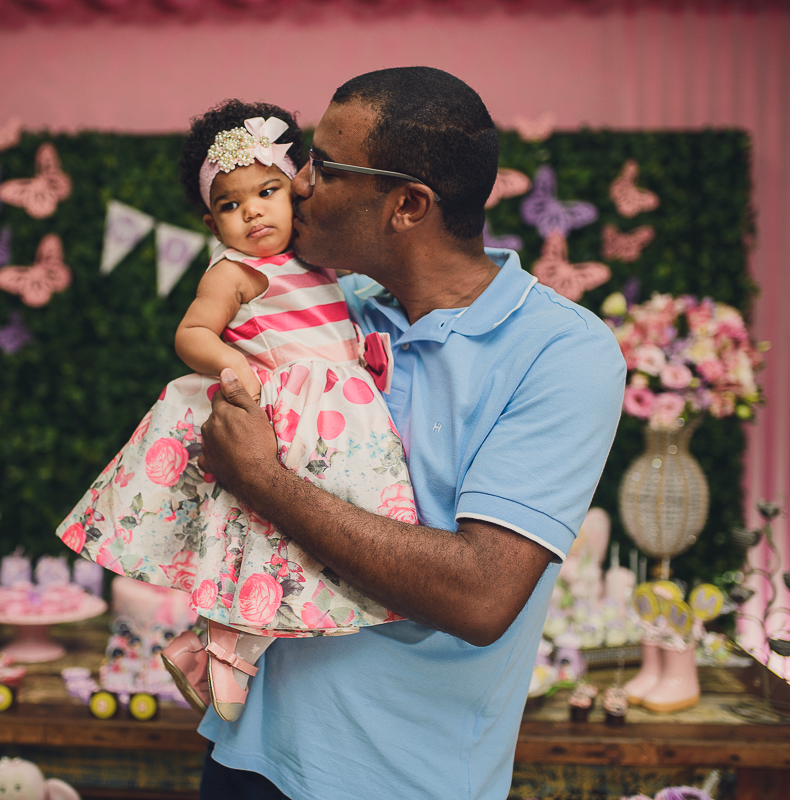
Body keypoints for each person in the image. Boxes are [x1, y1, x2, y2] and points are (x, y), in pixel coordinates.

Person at [195, 68, 626, 800]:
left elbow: (481, 596)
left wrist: (263, 479)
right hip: (246, 758)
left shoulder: (565, 353)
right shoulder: (336, 306)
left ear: (408, 205)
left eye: (324, 167)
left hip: (402, 781)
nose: (296, 183)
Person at [56, 100, 413, 724]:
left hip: (343, 417)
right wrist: (232, 364)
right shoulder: (235, 272)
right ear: (210, 221)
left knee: (323, 544)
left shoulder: (316, 256)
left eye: (268, 191)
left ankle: (207, 646)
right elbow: (191, 333)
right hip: (294, 415)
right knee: (279, 539)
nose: (252, 211)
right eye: (230, 204)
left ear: (296, 193)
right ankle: (223, 646)